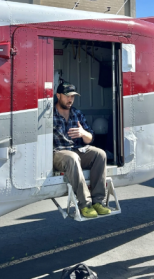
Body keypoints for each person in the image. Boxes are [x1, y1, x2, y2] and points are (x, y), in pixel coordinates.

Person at [53, 81, 110, 219]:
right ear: (58, 95)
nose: (70, 100)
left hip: (77, 150)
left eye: (73, 97)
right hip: (58, 153)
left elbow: (90, 138)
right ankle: (85, 204)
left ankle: (98, 202)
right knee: (72, 157)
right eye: (67, 96)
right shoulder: (49, 115)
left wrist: (83, 133)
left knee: (100, 154)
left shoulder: (77, 113)